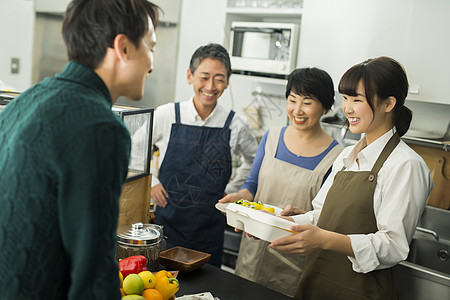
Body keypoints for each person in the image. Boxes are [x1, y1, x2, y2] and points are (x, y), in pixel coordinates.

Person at [0, 0, 160, 299]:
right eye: (150, 46)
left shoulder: (25, 100)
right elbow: (93, 271)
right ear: (123, 48)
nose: (153, 63)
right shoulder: (101, 126)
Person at [270, 57, 433, 299]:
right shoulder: (348, 155)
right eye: (345, 98)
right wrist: (270, 224)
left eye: (357, 100)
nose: (347, 108)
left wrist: (324, 240)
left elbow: (393, 246)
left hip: (361, 290)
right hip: (318, 280)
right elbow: (320, 215)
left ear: (388, 103)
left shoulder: (406, 165)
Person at [219, 67, 344, 297]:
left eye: (307, 102)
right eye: (292, 99)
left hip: (294, 259)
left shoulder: (337, 157)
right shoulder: (272, 136)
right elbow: (252, 186)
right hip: (253, 247)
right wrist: (240, 197)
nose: (297, 110)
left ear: (325, 107)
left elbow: (328, 218)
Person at [151, 43, 258, 267]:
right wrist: (151, 181)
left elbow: (255, 160)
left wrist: (235, 189)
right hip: (168, 222)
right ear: (190, 76)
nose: (210, 86)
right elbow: (133, 148)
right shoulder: (168, 114)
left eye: (219, 78)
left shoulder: (235, 124)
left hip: (209, 227)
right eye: (204, 77)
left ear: (228, 81)